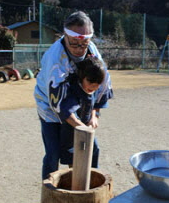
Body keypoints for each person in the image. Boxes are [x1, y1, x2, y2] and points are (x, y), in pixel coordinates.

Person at [34, 11, 113, 180]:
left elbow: (102, 83)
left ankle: (88, 185)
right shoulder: (55, 58)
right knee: (53, 153)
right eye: (74, 44)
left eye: (83, 44)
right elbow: (58, 101)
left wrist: (95, 114)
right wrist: (80, 126)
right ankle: (50, 194)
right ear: (65, 36)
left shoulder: (92, 51)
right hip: (49, 106)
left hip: (82, 104)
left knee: (90, 148)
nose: (79, 49)